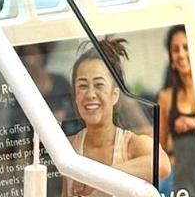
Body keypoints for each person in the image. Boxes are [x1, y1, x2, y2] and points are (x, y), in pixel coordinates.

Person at [64, 40, 167, 196]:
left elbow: (162, 165)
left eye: (99, 85)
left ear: (115, 95)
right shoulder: (68, 147)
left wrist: (97, 178)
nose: (90, 94)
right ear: (75, 96)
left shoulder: (131, 145)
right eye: (83, 86)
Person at [155, 25, 195, 197]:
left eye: (186, 47)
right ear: (171, 58)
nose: (181, 54)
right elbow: (161, 148)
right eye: (175, 49)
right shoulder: (165, 98)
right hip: (183, 182)